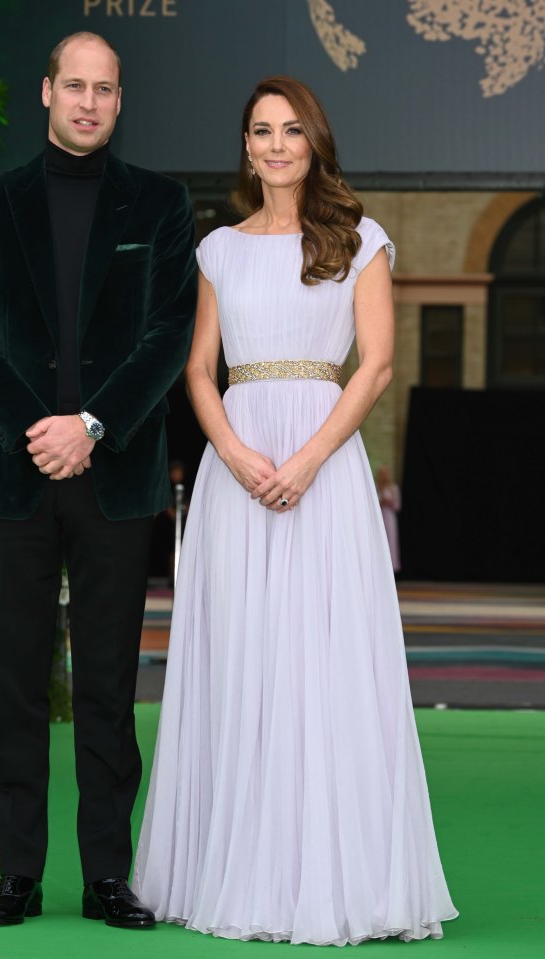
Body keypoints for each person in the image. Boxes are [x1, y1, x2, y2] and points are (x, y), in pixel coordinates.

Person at [133, 76, 457, 945]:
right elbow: (200, 370)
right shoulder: (218, 252)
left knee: (323, 661)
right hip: (236, 473)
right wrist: (235, 456)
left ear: (314, 141)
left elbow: (377, 366)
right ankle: (232, 869)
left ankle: (330, 878)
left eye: (290, 130)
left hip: (324, 469)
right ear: (245, 147)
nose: (275, 145)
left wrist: (307, 460)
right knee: (241, 660)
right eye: (259, 131)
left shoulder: (360, 240)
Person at [0, 32, 196, 928]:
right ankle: (18, 874)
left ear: (119, 102)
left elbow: (169, 333)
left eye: (105, 89)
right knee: (13, 680)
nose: (88, 102)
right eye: (74, 85)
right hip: (13, 477)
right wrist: (39, 430)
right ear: (48, 90)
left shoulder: (162, 206)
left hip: (116, 475)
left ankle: (105, 878)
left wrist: (92, 424)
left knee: (106, 684)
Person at [377, 464, 402, 572]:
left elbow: (397, 506)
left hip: (390, 518)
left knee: (390, 543)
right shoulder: (375, 487)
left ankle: (391, 570)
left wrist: (390, 502)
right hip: (379, 518)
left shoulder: (393, 488)